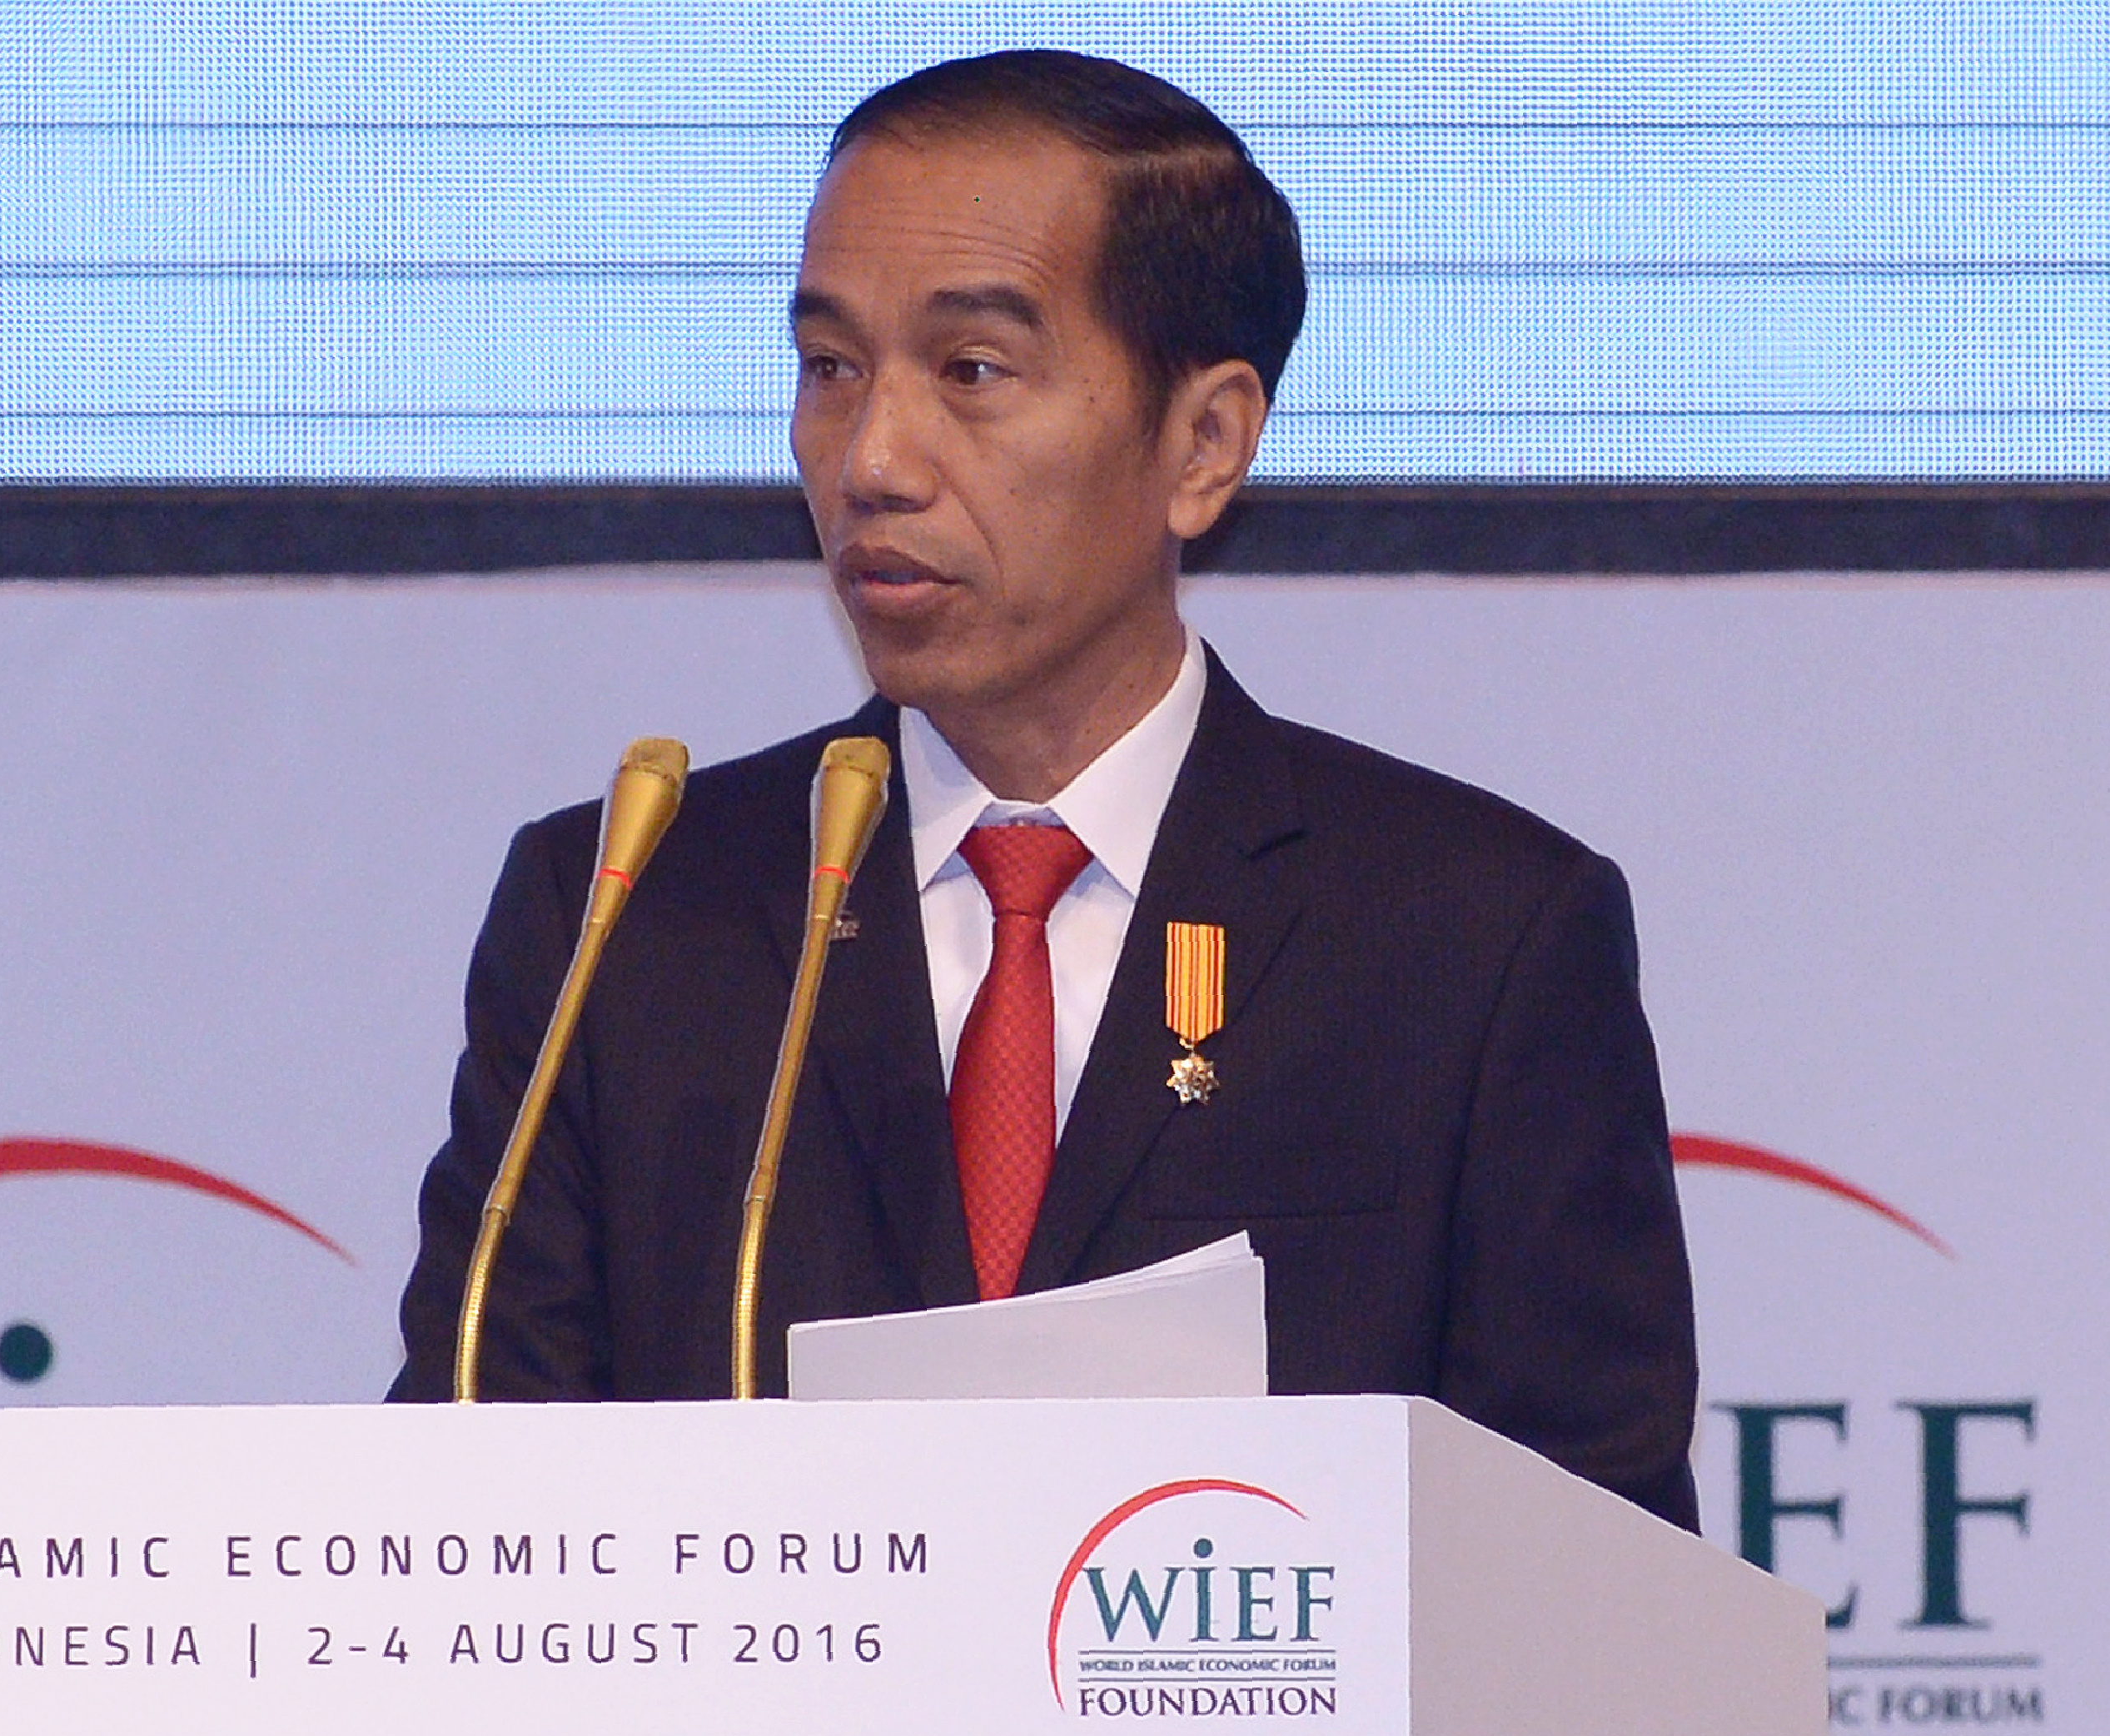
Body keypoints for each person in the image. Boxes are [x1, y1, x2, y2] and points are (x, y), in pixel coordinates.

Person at [388, 50, 1699, 1531]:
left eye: (971, 372)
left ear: (1202, 443)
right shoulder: (629, 919)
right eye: (830, 369)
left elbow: (1600, 1579)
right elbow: (467, 1532)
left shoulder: (1471, 941)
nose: (873, 461)